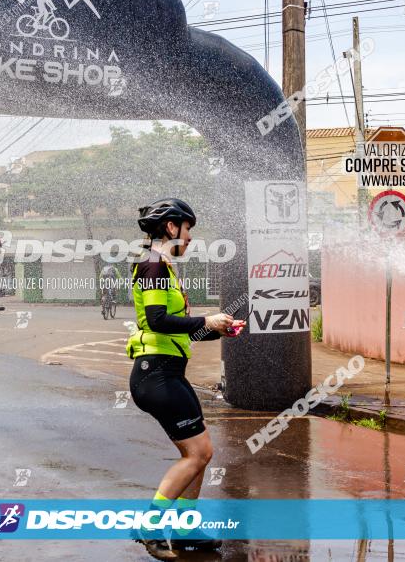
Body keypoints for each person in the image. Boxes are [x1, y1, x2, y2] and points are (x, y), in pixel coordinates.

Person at [126, 198, 245, 559]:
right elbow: (159, 320)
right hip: (156, 373)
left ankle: (185, 527)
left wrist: (216, 330)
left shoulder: (162, 266)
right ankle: (150, 526)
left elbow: (180, 330)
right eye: (188, 228)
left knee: (199, 453)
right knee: (197, 453)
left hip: (168, 370)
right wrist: (206, 320)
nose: (191, 237)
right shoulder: (153, 265)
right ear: (171, 227)